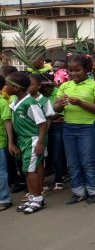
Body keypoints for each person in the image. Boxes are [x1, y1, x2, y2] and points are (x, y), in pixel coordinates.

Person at [54, 54, 95, 205]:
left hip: (88, 127)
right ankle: (78, 192)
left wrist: (81, 103)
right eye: (70, 70)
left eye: (77, 70)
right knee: (73, 162)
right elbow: (55, 108)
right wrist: (61, 104)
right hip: (69, 127)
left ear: (87, 70)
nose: (73, 73)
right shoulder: (65, 86)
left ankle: (94, 190)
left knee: (88, 161)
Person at [6, 72, 47, 214]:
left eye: (8, 85)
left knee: (31, 170)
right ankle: (32, 197)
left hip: (33, 139)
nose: (5, 87)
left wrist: (40, 143)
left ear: (17, 88)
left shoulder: (31, 103)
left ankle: (38, 199)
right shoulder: (15, 101)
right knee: (26, 170)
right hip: (23, 139)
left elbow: (42, 123)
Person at [0, 76, 15, 211]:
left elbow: (7, 122)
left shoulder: (2, 103)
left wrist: (10, 142)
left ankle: (4, 199)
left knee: (1, 172)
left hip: (0, 143)